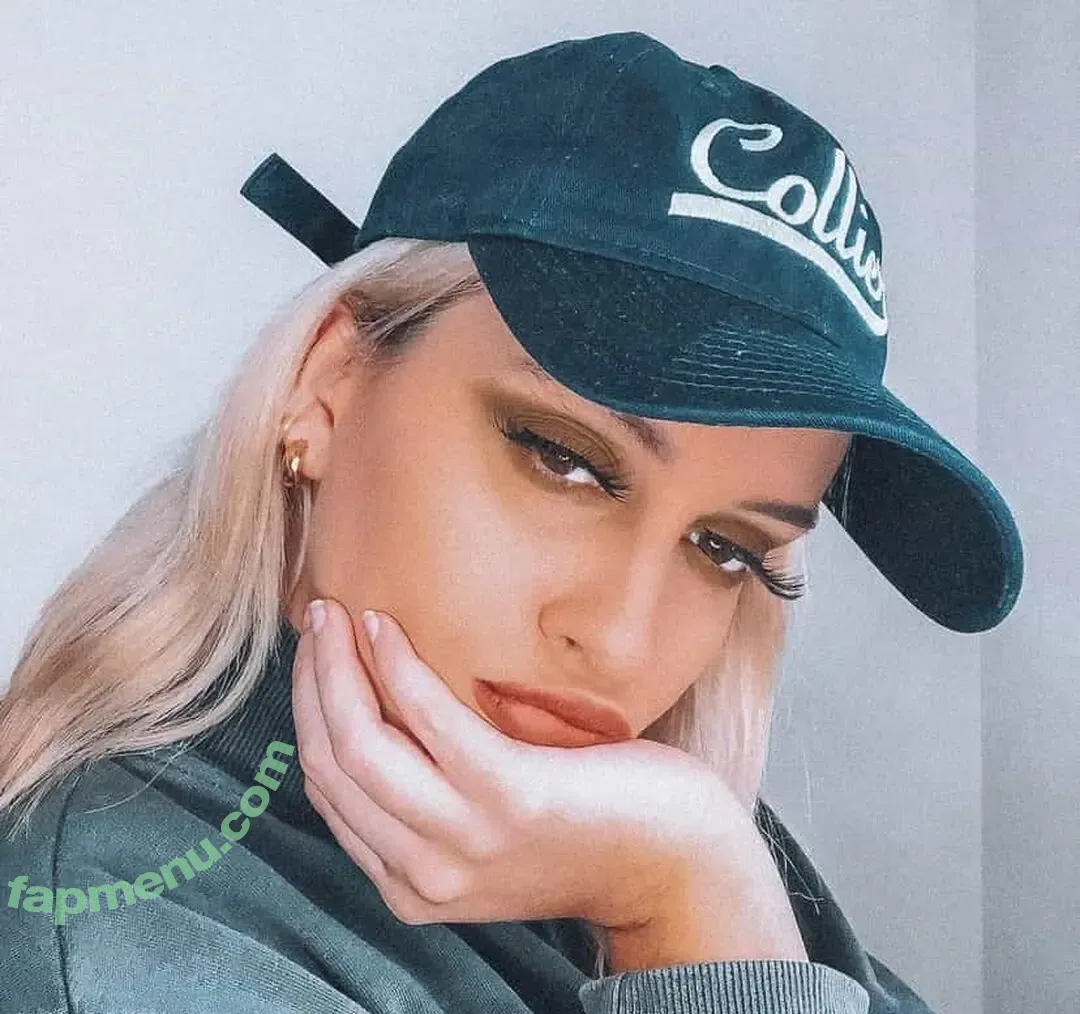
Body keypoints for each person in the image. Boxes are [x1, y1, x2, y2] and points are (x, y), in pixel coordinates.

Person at [0, 30, 1021, 1014]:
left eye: (727, 548)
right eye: (564, 458)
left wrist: (694, 888)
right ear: (326, 382)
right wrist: (690, 920)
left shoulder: (658, 834)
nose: (619, 639)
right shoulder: (120, 933)